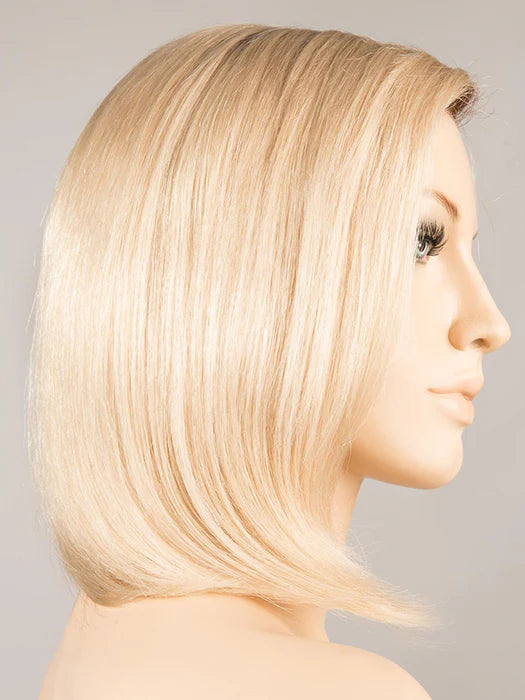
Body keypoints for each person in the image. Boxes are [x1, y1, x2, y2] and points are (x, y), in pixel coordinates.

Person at [30, 23, 511, 699]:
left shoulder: (94, 654)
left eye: (468, 246)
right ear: (251, 272)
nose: (489, 324)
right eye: (420, 242)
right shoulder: (340, 690)